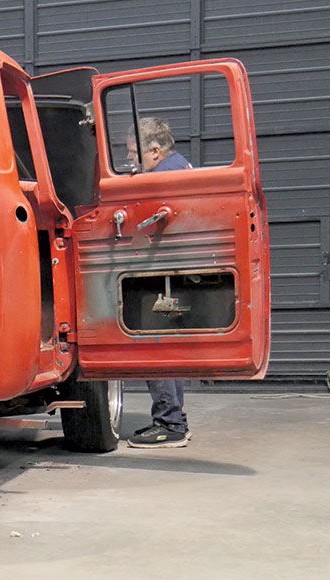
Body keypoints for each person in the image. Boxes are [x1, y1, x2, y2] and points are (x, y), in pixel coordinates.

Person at [123, 118, 194, 449]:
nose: (131, 162)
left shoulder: (164, 177)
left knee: (156, 343)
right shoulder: (181, 167)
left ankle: (169, 423)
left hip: (165, 277)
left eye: (134, 154)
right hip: (178, 276)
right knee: (169, 346)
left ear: (155, 150)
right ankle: (175, 418)